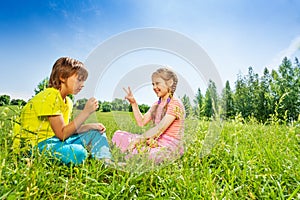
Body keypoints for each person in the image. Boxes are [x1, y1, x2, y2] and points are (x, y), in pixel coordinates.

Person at [13, 57, 112, 165]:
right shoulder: (50, 96)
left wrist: (90, 126)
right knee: (78, 153)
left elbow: (67, 130)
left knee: (96, 133)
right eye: (79, 79)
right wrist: (86, 112)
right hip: (34, 146)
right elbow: (62, 134)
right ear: (63, 77)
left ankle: (106, 162)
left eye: (84, 81)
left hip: (55, 141)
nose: (82, 84)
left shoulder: (67, 101)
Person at [112, 67, 185, 163]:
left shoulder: (175, 104)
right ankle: (136, 152)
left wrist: (139, 140)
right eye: (153, 84)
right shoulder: (156, 104)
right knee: (118, 135)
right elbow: (141, 122)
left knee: (149, 154)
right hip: (155, 141)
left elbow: (159, 129)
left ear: (170, 82)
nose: (154, 87)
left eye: (157, 83)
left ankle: (134, 156)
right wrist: (133, 103)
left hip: (168, 146)